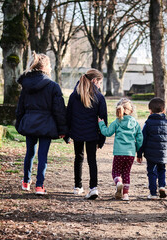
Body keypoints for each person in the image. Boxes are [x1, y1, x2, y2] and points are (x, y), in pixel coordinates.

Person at [15, 51, 67, 195]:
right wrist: (63, 129)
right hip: (47, 124)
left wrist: (19, 123)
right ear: (45, 67)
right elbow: (59, 110)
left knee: (29, 153)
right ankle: (39, 186)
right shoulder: (53, 86)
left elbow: (21, 107)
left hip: (29, 122)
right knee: (43, 155)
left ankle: (26, 182)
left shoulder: (26, 86)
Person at [66, 69, 108, 200]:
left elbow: (68, 116)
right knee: (92, 160)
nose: (100, 86)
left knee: (78, 158)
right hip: (92, 134)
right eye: (100, 82)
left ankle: (77, 186)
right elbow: (103, 119)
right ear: (94, 81)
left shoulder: (74, 95)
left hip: (77, 132)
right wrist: (101, 140)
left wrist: (67, 134)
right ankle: (93, 187)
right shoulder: (99, 97)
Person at [98, 98, 143, 201]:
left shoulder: (117, 122)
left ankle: (118, 182)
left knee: (116, 172)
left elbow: (107, 132)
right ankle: (126, 195)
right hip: (130, 154)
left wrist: (101, 123)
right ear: (131, 111)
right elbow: (140, 138)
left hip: (119, 153)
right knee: (126, 173)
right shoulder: (135, 123)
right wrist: (136, 149)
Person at [137, 97, 167, 200]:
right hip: (163, 153)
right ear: (163, 110)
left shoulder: (148, 124)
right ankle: (162, 186)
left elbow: (142, 139)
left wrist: (139, 153)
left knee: (152, 171)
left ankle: (153, 193)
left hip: (151, 153)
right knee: (162, 169)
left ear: (150, 110)